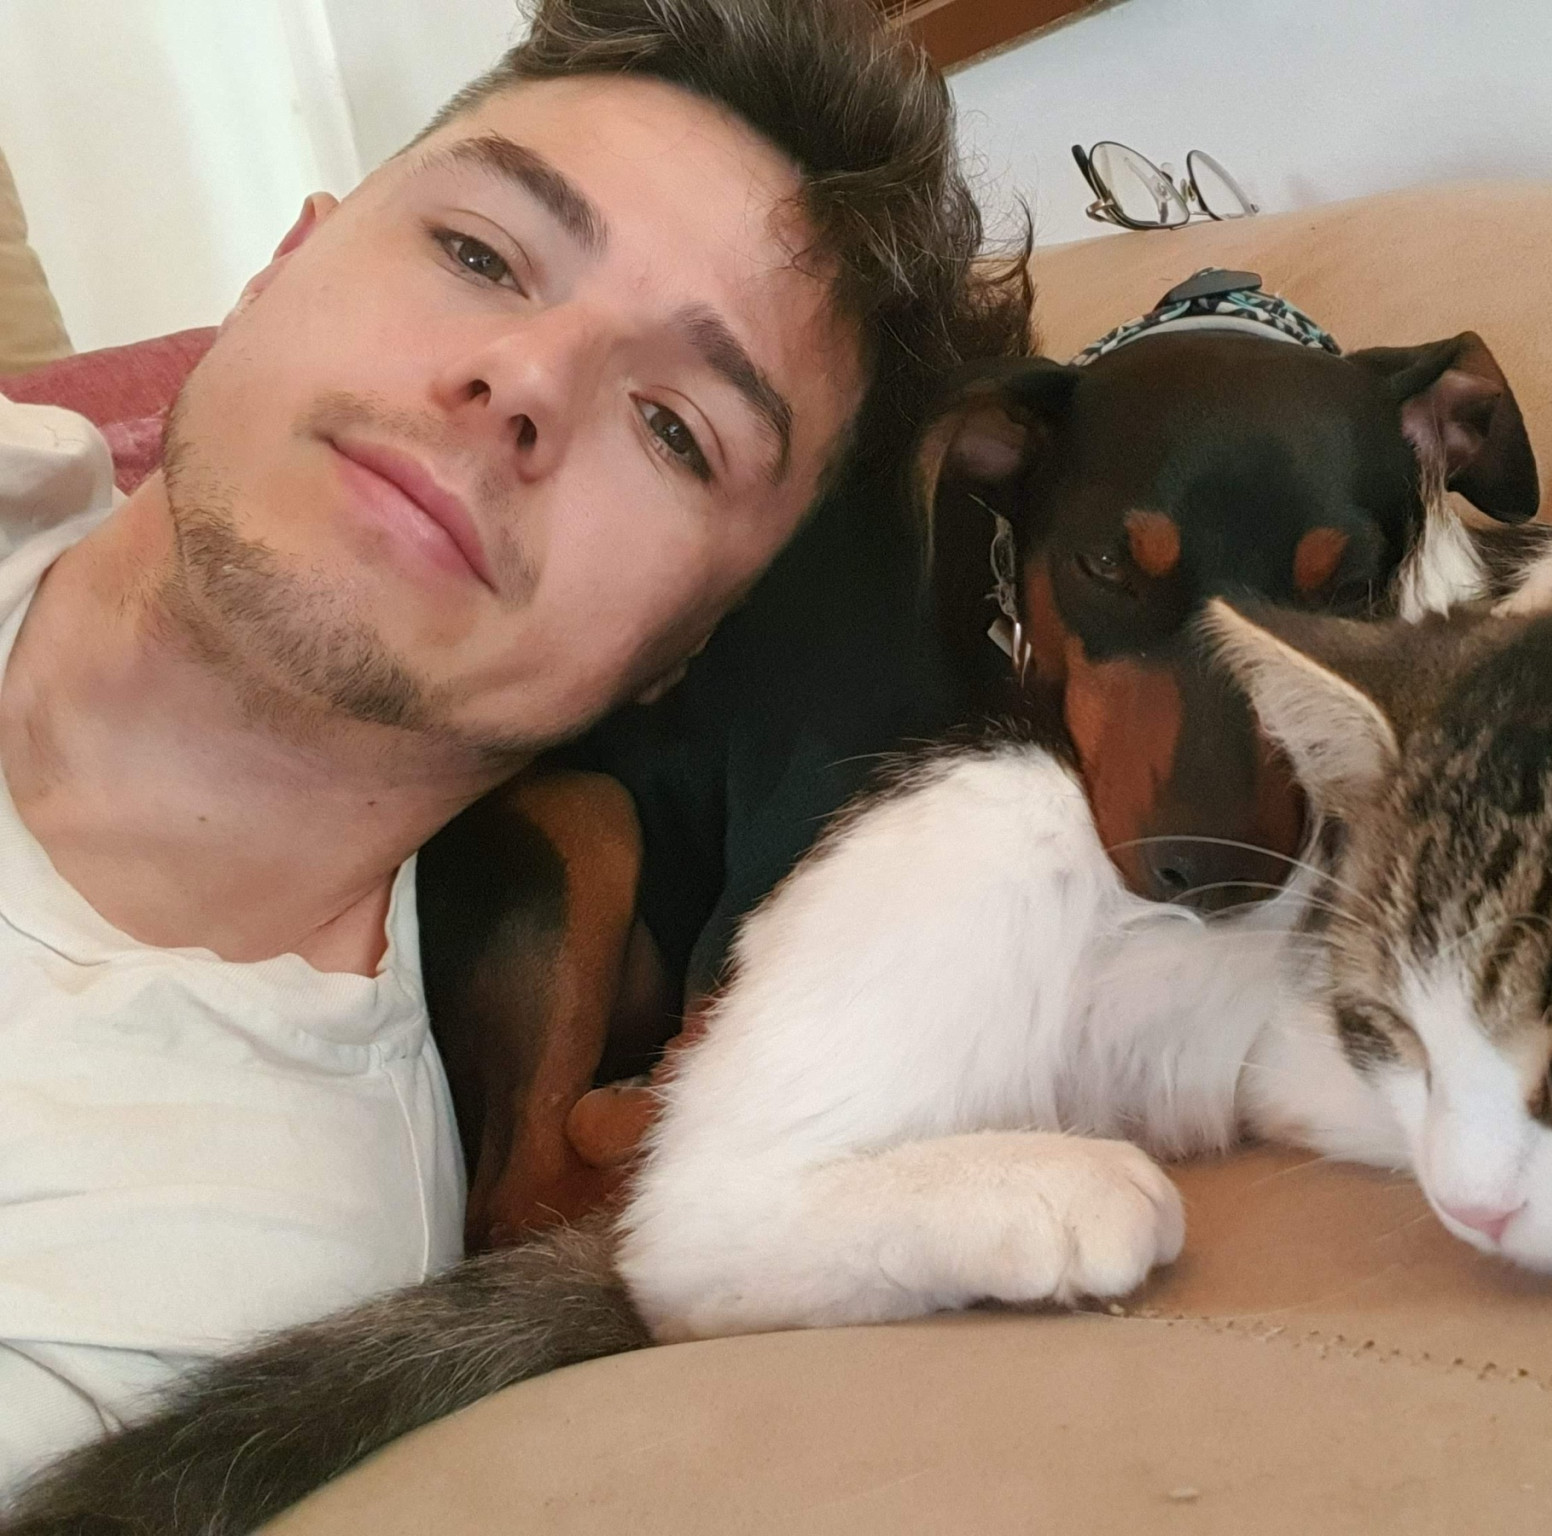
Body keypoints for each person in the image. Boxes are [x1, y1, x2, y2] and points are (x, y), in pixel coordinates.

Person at [0, 0, 1029, 1492]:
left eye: (675, 429)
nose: (527, 381)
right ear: (286, 258)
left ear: (684, 646)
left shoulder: (206, 1281)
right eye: (480, 254)